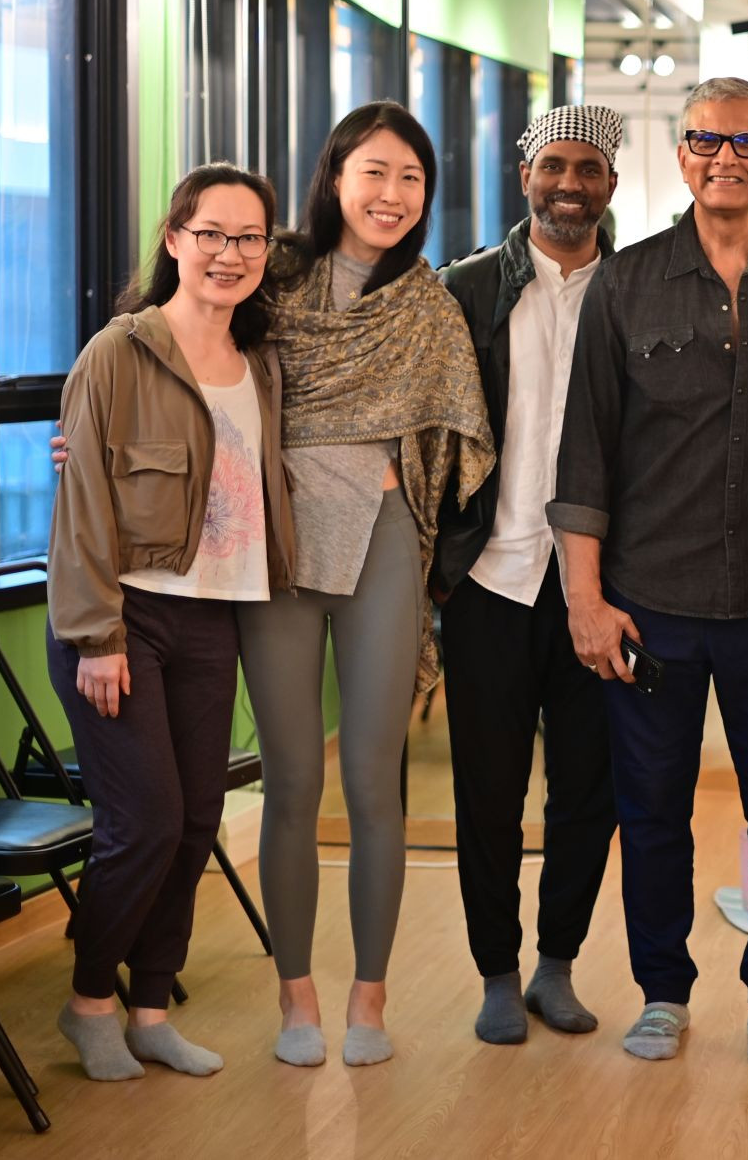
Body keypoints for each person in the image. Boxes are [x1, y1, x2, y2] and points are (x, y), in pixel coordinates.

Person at [548, 76, 748, 1067]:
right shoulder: (626, 283)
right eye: (706, 140)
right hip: (651, 603)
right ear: (679, 153)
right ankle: (662, 992)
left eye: (747, 141)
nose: (726, 158)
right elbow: (585, 455)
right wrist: (585, 598)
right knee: (651, 809)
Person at [238, 101, 495, 1068]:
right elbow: (173, 343)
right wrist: (92, 427)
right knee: (293, 778)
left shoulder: (427, 303)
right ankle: (296, 995)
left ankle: (370, 1000)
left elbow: (464, 432)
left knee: (372, 778)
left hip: (383, 536)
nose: (392, 194)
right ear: (336, 176)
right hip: (279, 540)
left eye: (411, 178)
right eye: (375, 172)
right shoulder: (272, 274)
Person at [46, 163, 295, 1080]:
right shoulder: (119, 351)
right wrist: (97, 637)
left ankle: (150, 1007)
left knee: (195, 823)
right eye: (211, 233)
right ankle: (89, 1002)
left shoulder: (262, 363)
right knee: (145, 821)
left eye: (249, 237)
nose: (230, 253)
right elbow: (80, 504)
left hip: (212, 620)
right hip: (124, 617)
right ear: (174, 238)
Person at [434, 106, 624, 1045]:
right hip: (491, 577)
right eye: (555, 166)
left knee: (590, 787)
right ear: (526, 176)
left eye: (588, 169)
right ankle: (497, 972)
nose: (570, 184)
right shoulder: (465, 290)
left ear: (611, 185)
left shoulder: (634, 289)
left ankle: (557, 964)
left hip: (603, 588)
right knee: (489, 792)